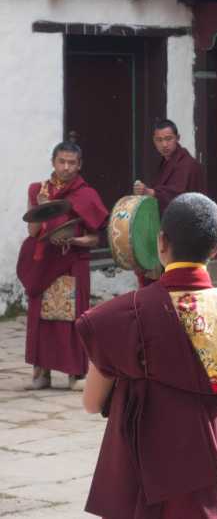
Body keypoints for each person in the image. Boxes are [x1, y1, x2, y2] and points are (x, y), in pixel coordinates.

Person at [76, 193, 217, 518]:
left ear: (161, 242)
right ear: (215, 248)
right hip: (215, 469)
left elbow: (92, 402)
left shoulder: (122, 315)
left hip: (145, 474)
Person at [17, 142, 108, 391]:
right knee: (42, 317)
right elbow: (33, 231)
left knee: (72, 317)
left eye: (71, 163)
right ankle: (41, 372)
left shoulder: (86, 194)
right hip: (45, 261)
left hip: (71, 262)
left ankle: (75, 374)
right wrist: (41, 207)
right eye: (61, 161)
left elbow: (95, 238)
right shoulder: (38, 190)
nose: (66, 167)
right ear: (53, 162)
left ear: (79, 165)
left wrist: (73, 240)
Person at [134, 118, 206, 214]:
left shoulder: (187, 164)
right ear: (154, 141)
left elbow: (179, 196)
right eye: (159, 140)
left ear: (177, 138)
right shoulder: (164, 162)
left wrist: (150, 192)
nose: (164, 144)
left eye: (168, 139)